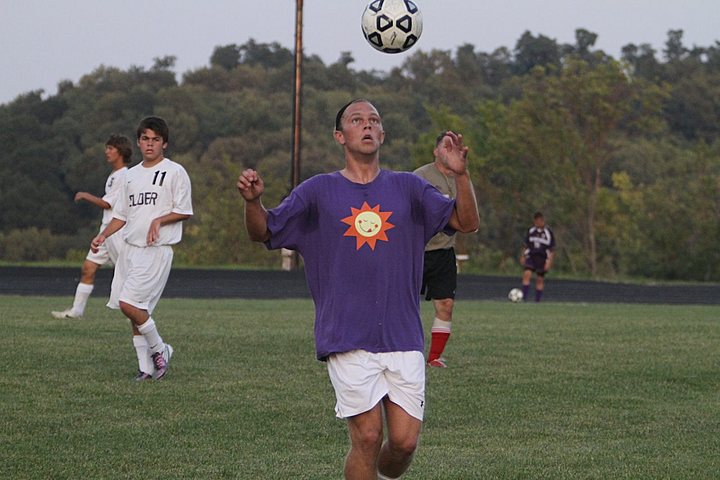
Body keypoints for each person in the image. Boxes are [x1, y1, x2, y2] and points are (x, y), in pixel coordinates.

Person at [237, 99, 479, 480]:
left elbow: (466, 221)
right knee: (367, 437)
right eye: (356, 120)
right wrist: (253, 203)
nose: (367, 126)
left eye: (374, 121)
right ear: (340, 136)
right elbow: (263, 231)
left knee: (403, 444)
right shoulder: (317, 192)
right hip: (345, 333)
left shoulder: (409, 188)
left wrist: (461, 176)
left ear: (382, 134)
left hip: (402, 334)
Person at [91, 116, 193, 381]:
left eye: (155, 140)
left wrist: (159, 220)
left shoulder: (175, 172)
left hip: (156, 250)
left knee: (129, 304)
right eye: (145, 139)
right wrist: (103, 235)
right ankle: (145, 369)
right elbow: (121, 215)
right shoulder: (130, 175)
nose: (150, 144)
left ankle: (160, 349)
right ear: (138, 142)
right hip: (129, 249)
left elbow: (184, 210)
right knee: (134, 312)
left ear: (164, 144)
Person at [52, 134, 133, 319]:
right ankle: (76, 311)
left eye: (110, 148)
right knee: (88, 268)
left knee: (128, 272)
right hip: (105, 231)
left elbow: (108, 204)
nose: (107, 152)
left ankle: (138, 310)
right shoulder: (114, 175)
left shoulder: (124, 175)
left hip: (116, 231)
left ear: (120, 152)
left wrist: (85, 195)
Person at [413, 132, 476, 368]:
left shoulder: (461, 179)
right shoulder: (420, 177)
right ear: (436, 151)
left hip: (444, 252)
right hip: (416, 251)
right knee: (404, 304)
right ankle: (400, 352)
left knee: (446, 304)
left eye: (453, 147)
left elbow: (469, 218)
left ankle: (434, 358)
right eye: (445, 146)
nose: (450, 151)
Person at [519, 211, 555, 302]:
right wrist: (523, 256)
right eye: (535, 221)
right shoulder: (531, 231)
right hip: (531, 256)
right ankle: (524, 298)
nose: (537, 223)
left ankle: (537, 301)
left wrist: (549, 261)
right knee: (527, 274)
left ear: (542, 221)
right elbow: (525, 245)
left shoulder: (548, 233)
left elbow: (552, 249)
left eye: (539, 221)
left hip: (542, 258)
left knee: (539, 279)